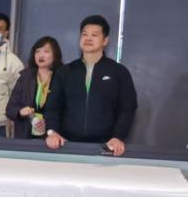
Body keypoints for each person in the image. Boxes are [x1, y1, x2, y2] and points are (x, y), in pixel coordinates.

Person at [45, 15, 137, 156]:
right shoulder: (65, 71)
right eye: (84, 34)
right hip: (67, 145)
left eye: (94, 35)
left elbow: (127, 108)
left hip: (106, 146)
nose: (88, 38)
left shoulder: (119, 72)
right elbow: (53, 106)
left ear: (105, 40)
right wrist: (52, 132)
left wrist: (118, 136)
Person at [6, 36, 64, 139]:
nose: (41, 55)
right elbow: (10, 109)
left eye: (46, 51)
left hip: (52, 137)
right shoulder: (25, 77)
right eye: (37, 51)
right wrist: (20, 112)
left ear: (55, 55)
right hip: (26, 137)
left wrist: (49, 123)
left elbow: (68, 112)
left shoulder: (62, 78)